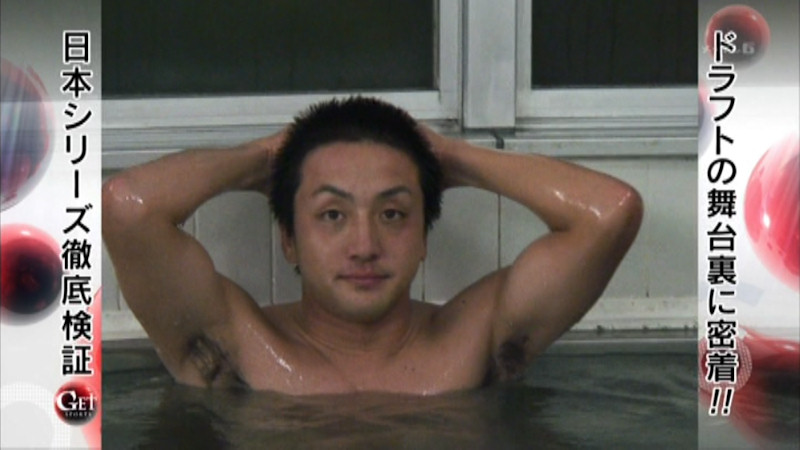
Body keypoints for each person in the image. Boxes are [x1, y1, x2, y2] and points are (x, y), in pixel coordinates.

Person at [102, 97, 643, 395]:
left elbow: (610, 213)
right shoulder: (237, 346)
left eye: (392, 214)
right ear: (289, 240)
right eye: (332, 215)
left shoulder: (473, 341)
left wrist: (450, 157)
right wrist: (264, 159)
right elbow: (128, 207)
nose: (364, 246)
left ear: (423, 236)